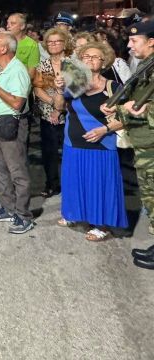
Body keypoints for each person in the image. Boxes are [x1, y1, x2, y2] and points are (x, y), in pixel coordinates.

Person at [52, 42, 127, 241]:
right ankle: (74, 214)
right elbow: (58, 107)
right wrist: (59, 89)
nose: (89, 60)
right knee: (74, 182)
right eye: (86, 57)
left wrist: (104, 130)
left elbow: (126, 118)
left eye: (95, 57)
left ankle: (100, 225)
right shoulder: (74, 83)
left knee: (99, 186)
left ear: (104, 61)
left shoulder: (113, 87)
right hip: (72, 142)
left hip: (101, 145)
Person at [105, 21, 154, 269]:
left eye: (135, 41)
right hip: (144, 142)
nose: (129, 45)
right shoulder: (147, 65)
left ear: (151, 42)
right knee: (150, 196)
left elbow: (145, 108)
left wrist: (131, 111)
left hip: (151, 143)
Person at [0, 32, 34, 234]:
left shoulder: (17, 70)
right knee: (0, 169)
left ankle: (23, 215)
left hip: (10, 124)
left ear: (4, 49)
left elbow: (17, 102)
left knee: (17, 170)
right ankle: (9, 208)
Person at [32, 27, 73, 199]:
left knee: (70, 150)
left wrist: (60, 109)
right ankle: (52, 184)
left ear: (65, 43)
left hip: (70, 113)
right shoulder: (42, 65)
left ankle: (71, 184)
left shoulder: (73, 64)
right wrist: (52, 103)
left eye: (57, 41)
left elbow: (79, 88)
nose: (53, 44)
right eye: (50, 42)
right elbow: (37, 88)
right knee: (49, 152)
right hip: (48, 114)